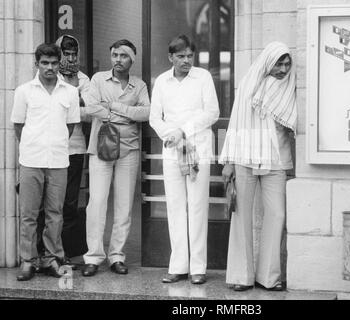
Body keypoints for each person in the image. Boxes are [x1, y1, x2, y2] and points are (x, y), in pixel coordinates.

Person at [219, 42, 297, 291]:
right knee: (242, 216)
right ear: (268, 62)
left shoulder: (291, 86)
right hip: (245, 156)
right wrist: (229, 162)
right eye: (279, 63)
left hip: (276, 159)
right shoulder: (248, 85)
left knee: (277, 215)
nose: (283, 69)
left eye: (287, 64)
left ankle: (269, 277)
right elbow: (236, 123)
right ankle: (241, 276)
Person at [150, 35, 219, 285]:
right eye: (181, 56)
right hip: (171, 149)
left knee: (198, 206)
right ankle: (178, 265)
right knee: (175, 207)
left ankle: (198, 267)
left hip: (197, 149)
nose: (186, 60)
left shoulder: (203, 78)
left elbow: (212, 112)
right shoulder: (162, 82)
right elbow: (154, 118)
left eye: (190, 56)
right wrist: (172, 134)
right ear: (171, 58)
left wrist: (184, 130)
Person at [80, 39, 150, 277]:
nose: (118, 60)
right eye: (114, 55)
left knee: (123, 207)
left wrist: (113, 109)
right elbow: (90, 106)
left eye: (123, 56)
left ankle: (117, 256)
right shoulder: (98, 79)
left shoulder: (139, 85)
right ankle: (93, 256)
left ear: (132, 59)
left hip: (128, 151)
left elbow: (146, 113)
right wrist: (125, 115)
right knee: (97, 202)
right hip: (101, 149)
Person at [11, 43, 80, 281]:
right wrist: (34, 145)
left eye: (53, 63)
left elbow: (69, 126)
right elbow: (18, 125)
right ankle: (28, 261)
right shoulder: (24, 91)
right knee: (29, 213)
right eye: (44, 63)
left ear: (59, 63)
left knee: (55, 213)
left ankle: (52, 258)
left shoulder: (70, 92)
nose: (49, 67)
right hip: (31, 159)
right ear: (37, 63)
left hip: (59, 161)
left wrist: (54, 144)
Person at [34, 35, 90, 266]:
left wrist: (72, 99)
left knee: (69, 204)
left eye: (73, 54)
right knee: (46, 204)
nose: (70, 58)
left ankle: (63, 252)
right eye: (65, 54)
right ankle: (42, 253)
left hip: (75, 148)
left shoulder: (84, 79)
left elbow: (87, 112)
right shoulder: (47, 75)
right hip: (47, 150)